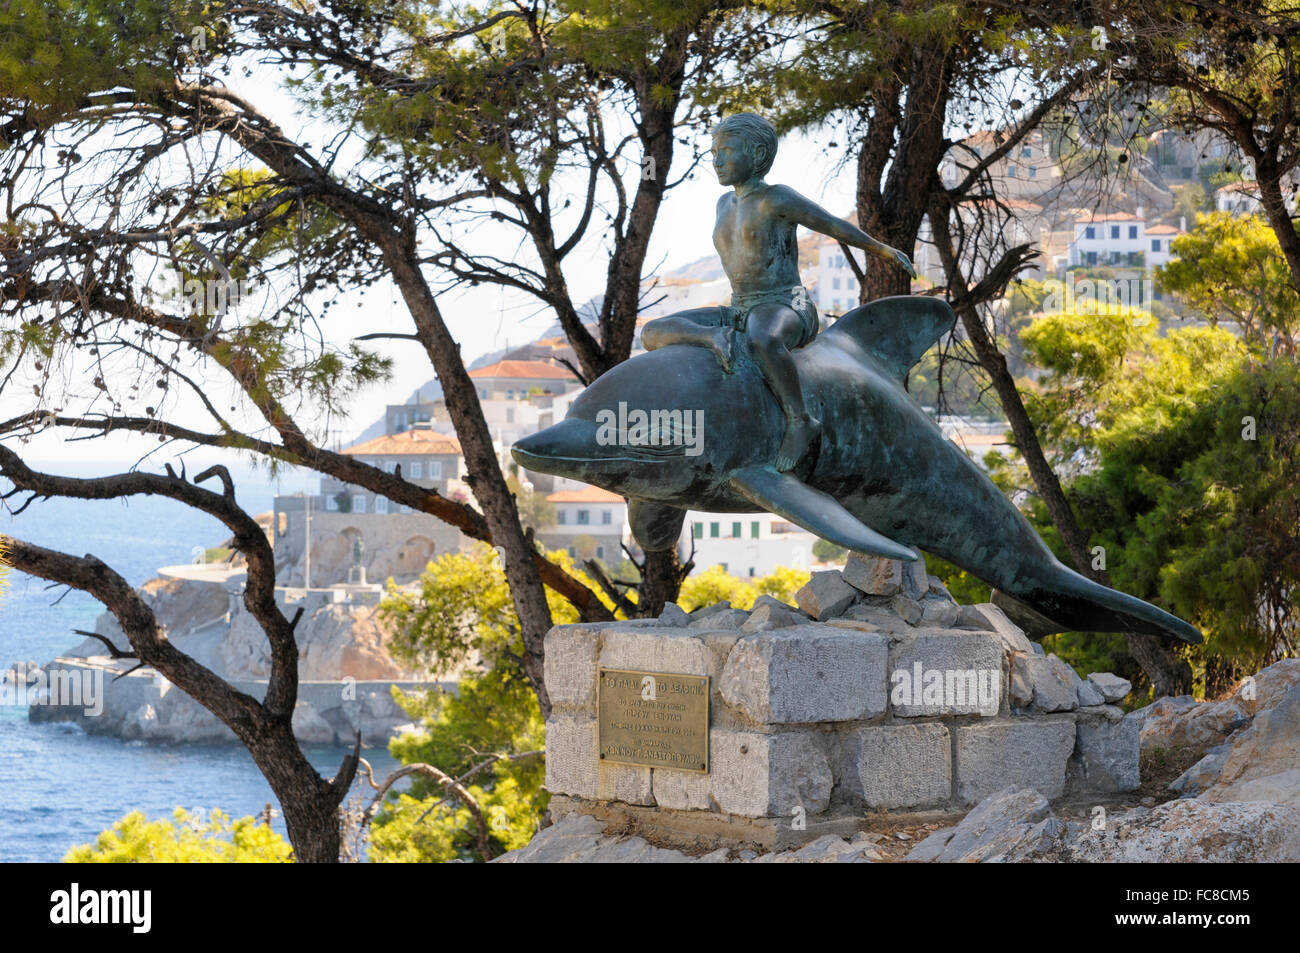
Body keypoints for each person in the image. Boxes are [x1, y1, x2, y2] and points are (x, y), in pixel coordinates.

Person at [641, 113, 917, 470]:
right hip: (738, 308)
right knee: (652, 333)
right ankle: (712, 337)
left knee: (763, 340)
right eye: (713, 152)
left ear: (756, 153)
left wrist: (883, 250)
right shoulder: (723, 204)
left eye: (726, 151)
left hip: (788, 303)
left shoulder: (776, 198)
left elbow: (831, 224)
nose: (717, 160)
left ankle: (801, 419)